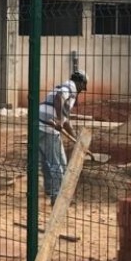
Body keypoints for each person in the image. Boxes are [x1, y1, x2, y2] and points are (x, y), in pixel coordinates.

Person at [37, 70, 88, 205]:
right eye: (83, 86)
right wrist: (59, 120)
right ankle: (58, 199)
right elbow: (59, 98)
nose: (82, 90)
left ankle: (50, 190)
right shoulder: (70, 87)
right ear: (80, 83)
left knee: (49, 162)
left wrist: (76, 138)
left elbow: (66, 121)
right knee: (58, 165)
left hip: (39, 125)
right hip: (48, 128)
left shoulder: (63, 86)